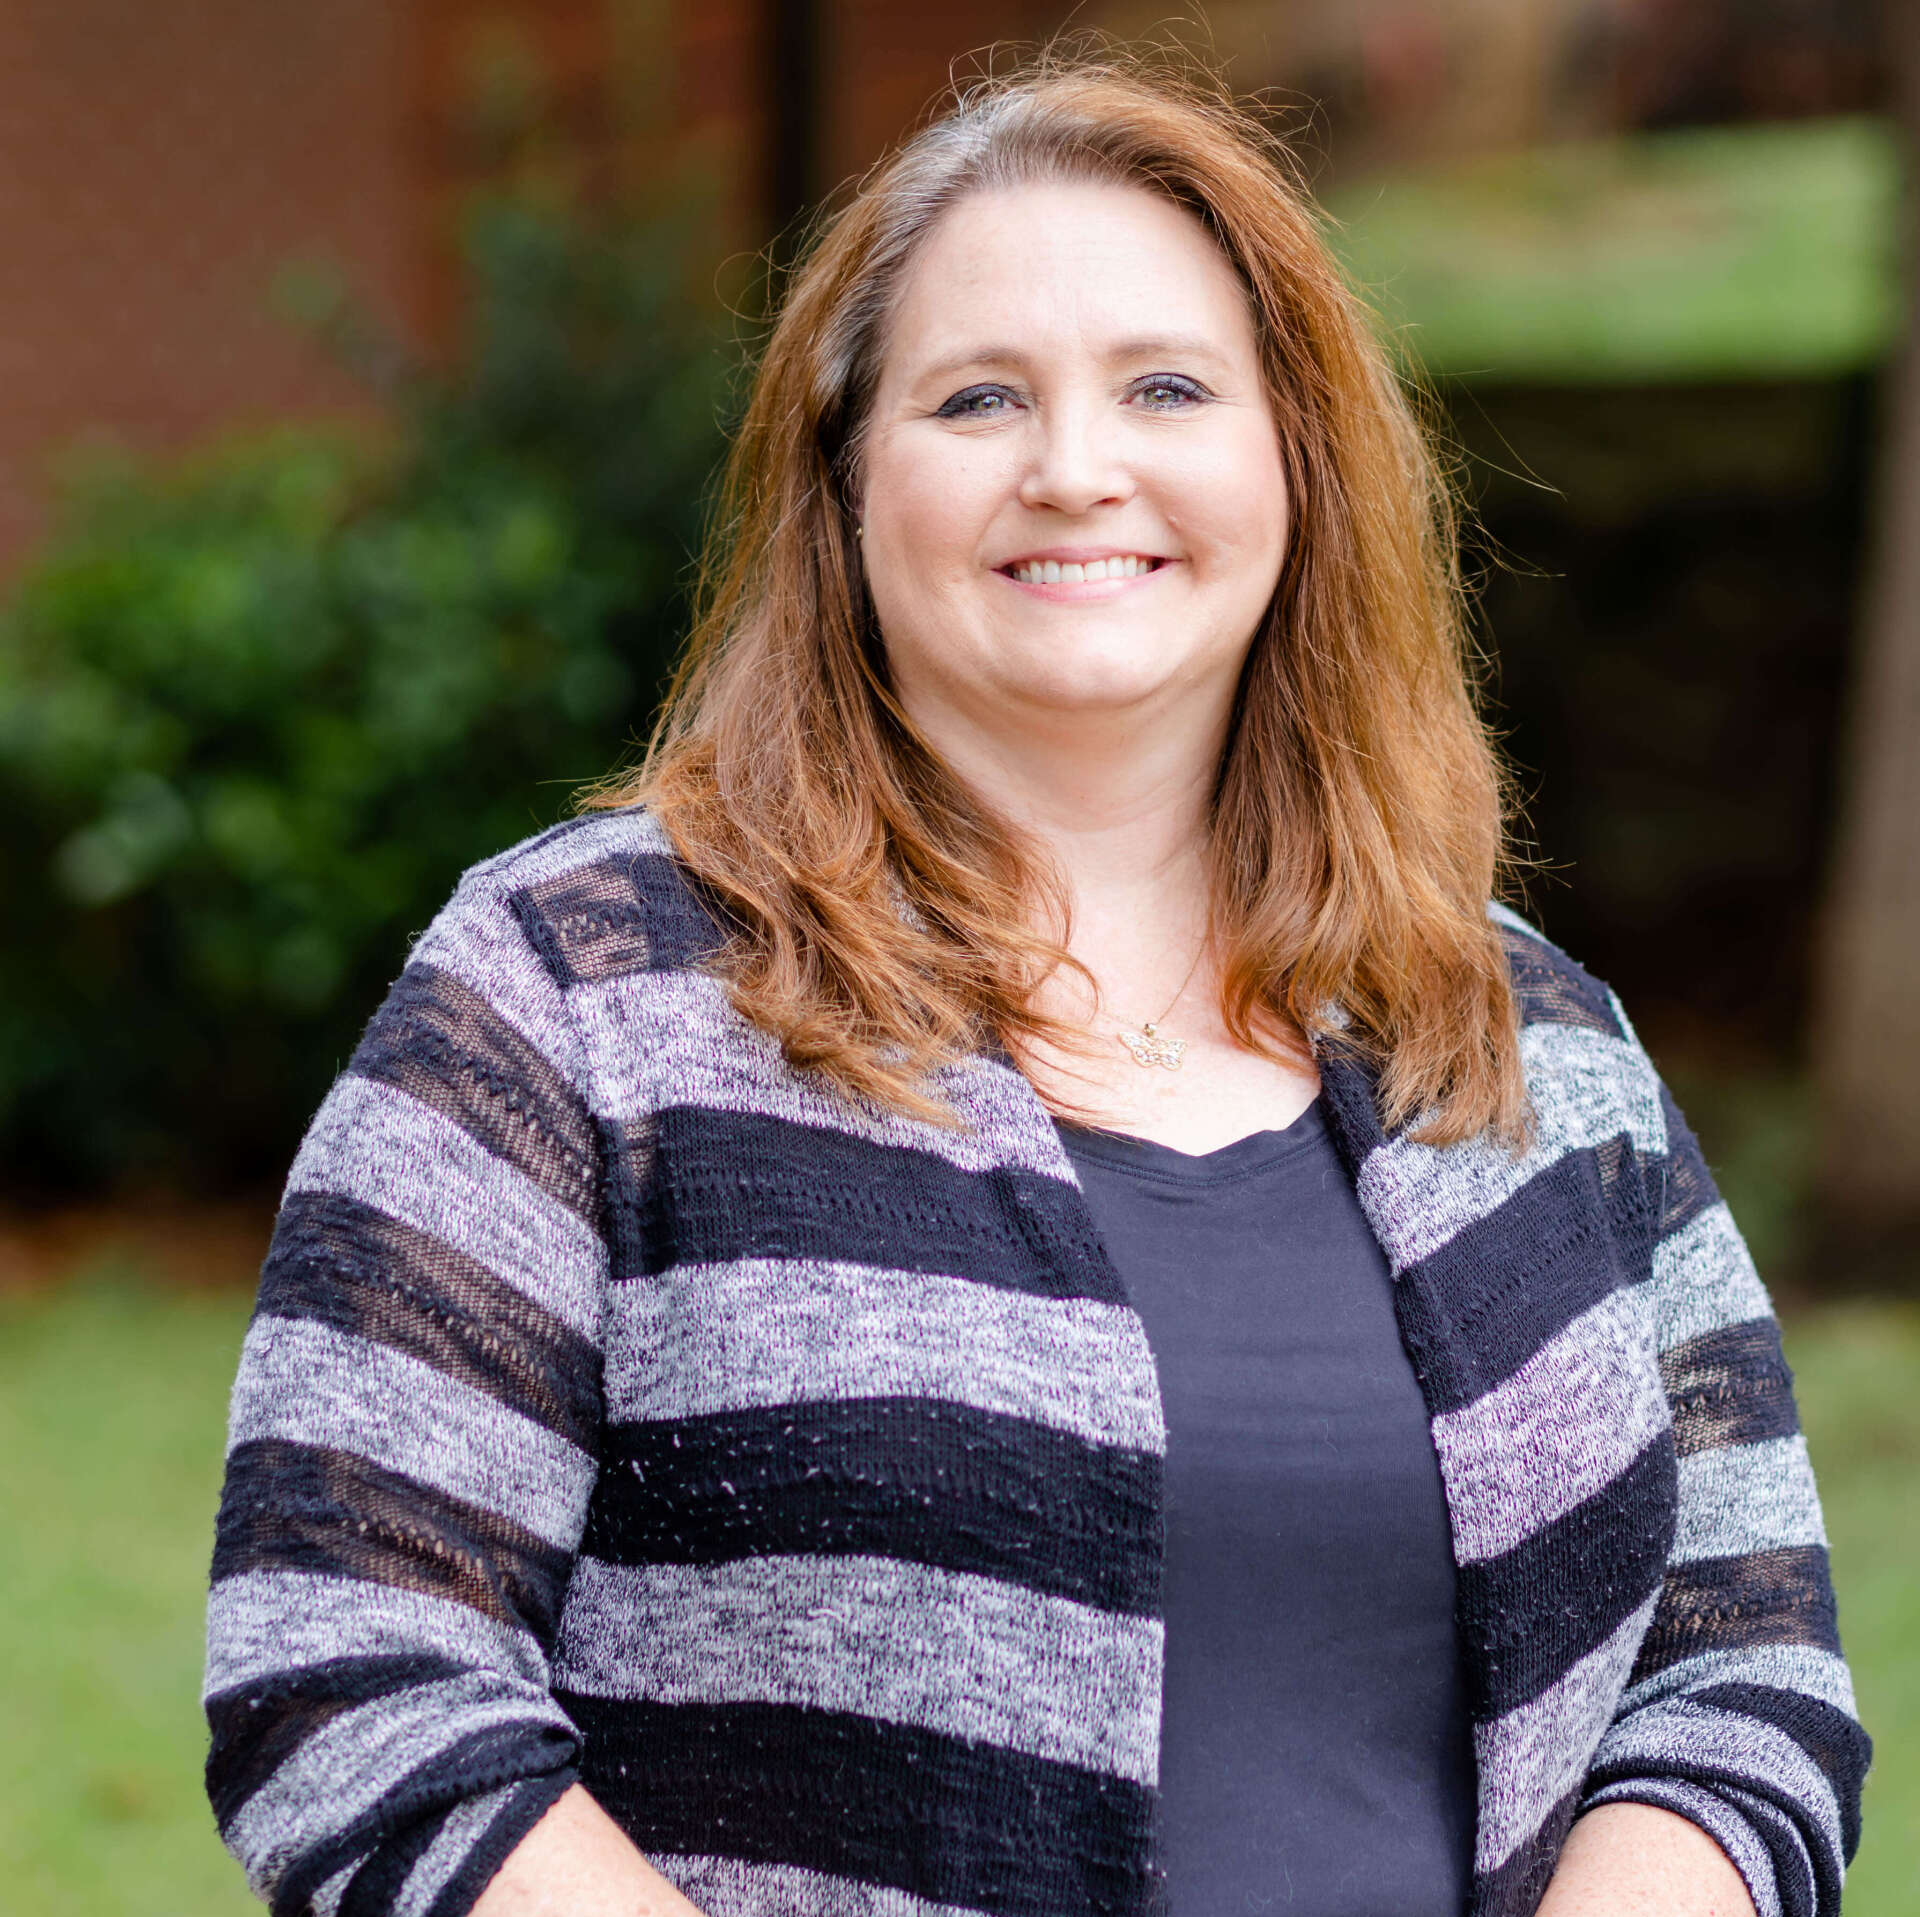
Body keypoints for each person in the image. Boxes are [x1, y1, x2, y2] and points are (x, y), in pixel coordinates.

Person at [203, 51, 1868, 1917]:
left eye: (1165, 387)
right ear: (840, 491)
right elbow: (348, 1669)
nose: (1078, 469)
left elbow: (1742, 1671)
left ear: (1296, 462)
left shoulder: (1526, 1042)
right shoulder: (572, 997)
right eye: (978, 397)